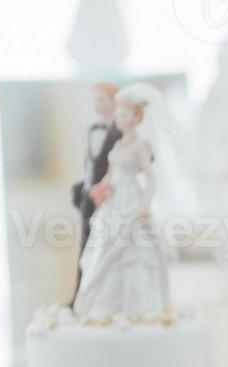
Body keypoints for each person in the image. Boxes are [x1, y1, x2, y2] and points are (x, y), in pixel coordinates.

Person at [72, 86, 169, 317]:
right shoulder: (118, 145)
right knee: (104, 246)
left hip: (130, 199)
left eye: (125, 114)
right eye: (119, 114)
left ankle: (133, 307)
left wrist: (144, 204)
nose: (120, 118)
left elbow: (151, 178)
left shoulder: (140, 145)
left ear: (136, 118)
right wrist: (102, 186)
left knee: (129, 250)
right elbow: (111, 173)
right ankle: (97, 305)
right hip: (113, 200)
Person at [71, 82, 121, 303]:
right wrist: (84, 187)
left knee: (107, 248)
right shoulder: (90, 130)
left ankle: (107, 298)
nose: (98, 105)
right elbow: (89, 164)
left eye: (102, 100)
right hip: (89, 196)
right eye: (95, 100)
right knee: (85, 246)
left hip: (112, 198)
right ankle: (80, 296)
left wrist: (108, 187)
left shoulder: (121, 132)